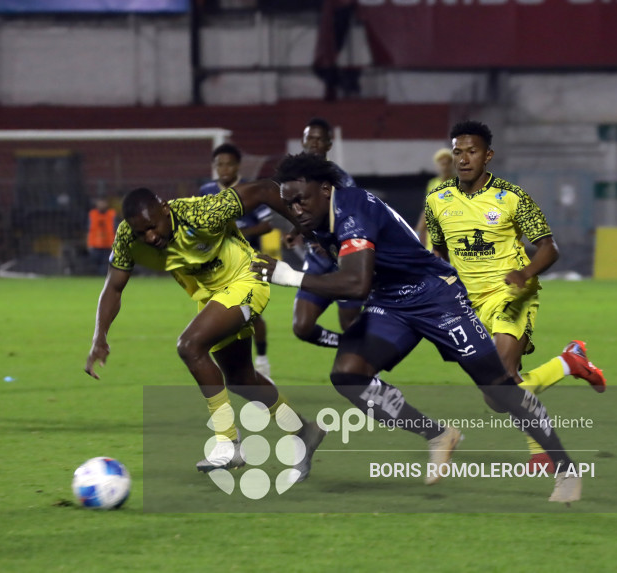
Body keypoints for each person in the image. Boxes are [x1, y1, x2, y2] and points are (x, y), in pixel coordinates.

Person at [251, 152, 582, 502]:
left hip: (435, 296)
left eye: (301, 200)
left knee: (499, 388)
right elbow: (264, 193)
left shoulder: (353, 211)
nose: (296, 209)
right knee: (349, 374)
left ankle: (565, 469)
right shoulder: (314, 210)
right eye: (289, 203)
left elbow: (356, 285)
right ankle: (438, 435)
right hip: (390, 302)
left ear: (326, 189)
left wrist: (287, 275)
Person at [84, 181, 324, 482]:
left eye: (152, 227)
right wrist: (99, 336)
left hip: (247, 280)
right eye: (141, 232)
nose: (151, 236)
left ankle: (228, 443)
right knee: (241, 380)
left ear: (164, 209)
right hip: (213, 297)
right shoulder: (127, 238)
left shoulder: (201, 213)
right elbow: (113, 287)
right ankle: (304, 430)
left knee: (189, 345)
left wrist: (311, 229)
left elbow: (263, 190)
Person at [425, 120, 606, 472]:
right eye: (458, 152)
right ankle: (570, 363)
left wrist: (524, 274)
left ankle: (544, 456)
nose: (464, 159)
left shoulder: (512, 197)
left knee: (504, 375)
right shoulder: (437, 199)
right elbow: (438, 251)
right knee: (497, 395)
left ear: (488, 155)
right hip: (469, 302)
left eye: (472, 152)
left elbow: (549, 249)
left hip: (512, 294)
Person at [200, 143, 272, 377]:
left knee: (253, 315)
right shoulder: (205, 191)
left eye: (229, 163)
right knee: (222, 314)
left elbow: (266, 224)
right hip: (218, 267)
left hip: (249, 263)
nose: (224, 168)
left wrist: (238, 233)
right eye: (219, 164)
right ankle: (235, 366)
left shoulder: (250, 189)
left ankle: (261, 360)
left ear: (238, 165)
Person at [290, 117, 362, 349]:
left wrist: (332, 241)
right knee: (302, 326)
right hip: (317, 263)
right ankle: (348, 347)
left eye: (320, 140)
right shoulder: (294, 177)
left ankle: (366, 368)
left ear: (329, 145)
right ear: (302, 140)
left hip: (343, 260)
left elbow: (354, 216)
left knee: (350, 321)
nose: (314, 143)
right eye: (310, 138)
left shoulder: (340, 179)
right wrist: (296, 231)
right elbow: (300, 210)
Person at [415, 148, 455, 250]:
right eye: (442, 164)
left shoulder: (459, 183)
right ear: (437, 166)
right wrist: (417, 233)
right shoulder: (432, 184)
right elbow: (427, 210)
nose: (445, 167)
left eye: (448, 163)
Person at [86, 196, 117, 276]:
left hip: (108, 246)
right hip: (95, 245)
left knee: (105, 268)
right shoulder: (92, 215)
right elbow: (88, 230)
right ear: (96, 203)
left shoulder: (112, 214)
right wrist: (88, 244)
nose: (102, 204)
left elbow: (116, 229)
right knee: (93, 268)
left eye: (103, 202)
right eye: (100, 202)